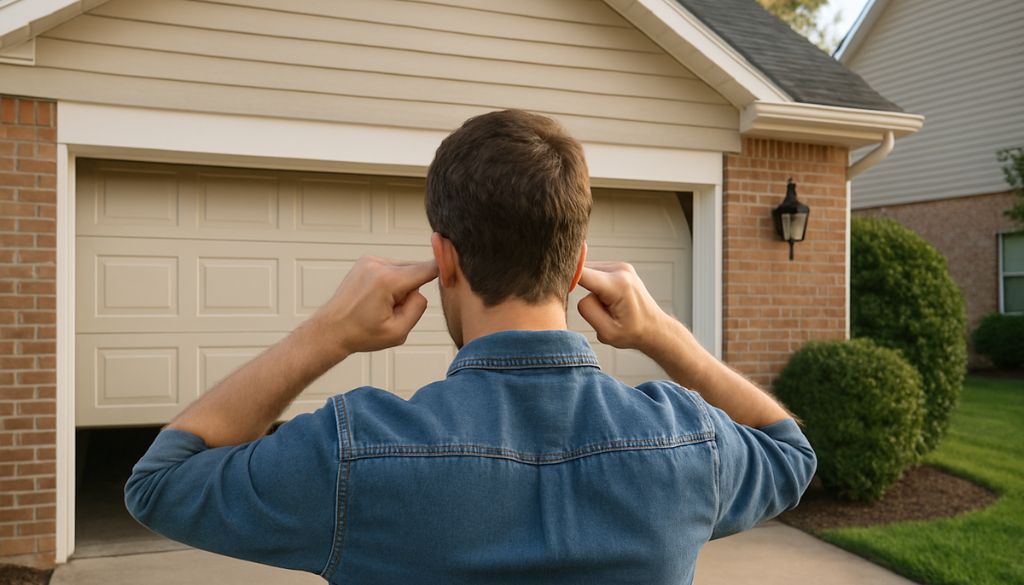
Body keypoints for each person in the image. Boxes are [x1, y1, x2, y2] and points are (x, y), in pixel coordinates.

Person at [125, 109, 816, 585]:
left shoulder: (356, 455)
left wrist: (325, 332)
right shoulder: (686, 442)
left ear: (443, 257)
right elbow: (789, 449)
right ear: (577, 264)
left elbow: (160, 481)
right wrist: (666, 336)